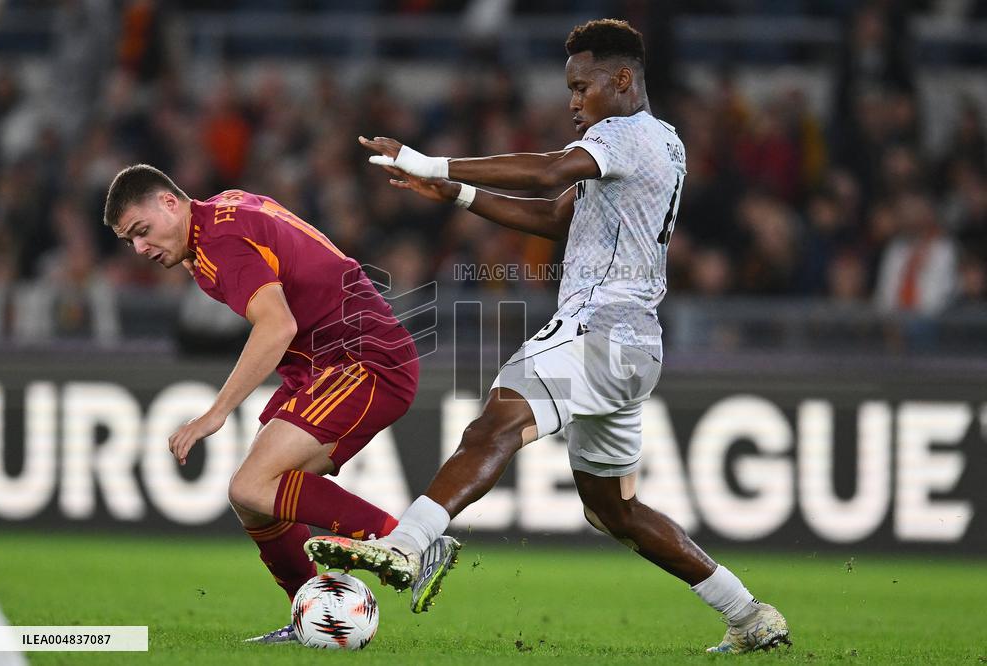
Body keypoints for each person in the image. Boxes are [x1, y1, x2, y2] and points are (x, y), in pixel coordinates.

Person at [304, 19, 790, 654]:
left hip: (599, 329)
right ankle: (749, 614)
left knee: (496, 423)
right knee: (613, 511)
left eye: (581, 86)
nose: (572, 101)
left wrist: (430, 159)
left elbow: (546, 176)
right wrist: (454, 192)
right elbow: (555, 215)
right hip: (633, 344)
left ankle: (407, 543)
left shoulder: (621, 135)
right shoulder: (664, 144)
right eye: (569, 88)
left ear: (622, 79)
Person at [103, 164, 437, 643]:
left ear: (170, 203)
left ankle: (407, 543)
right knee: (255, 503)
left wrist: (214, 413)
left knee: (252, 485)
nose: (139, 249)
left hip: (362, 359)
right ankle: (314, 615)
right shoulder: (221, 211)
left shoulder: (218, 244)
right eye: (128, 240)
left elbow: (276, 325)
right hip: (326, 363)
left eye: (142, 231)